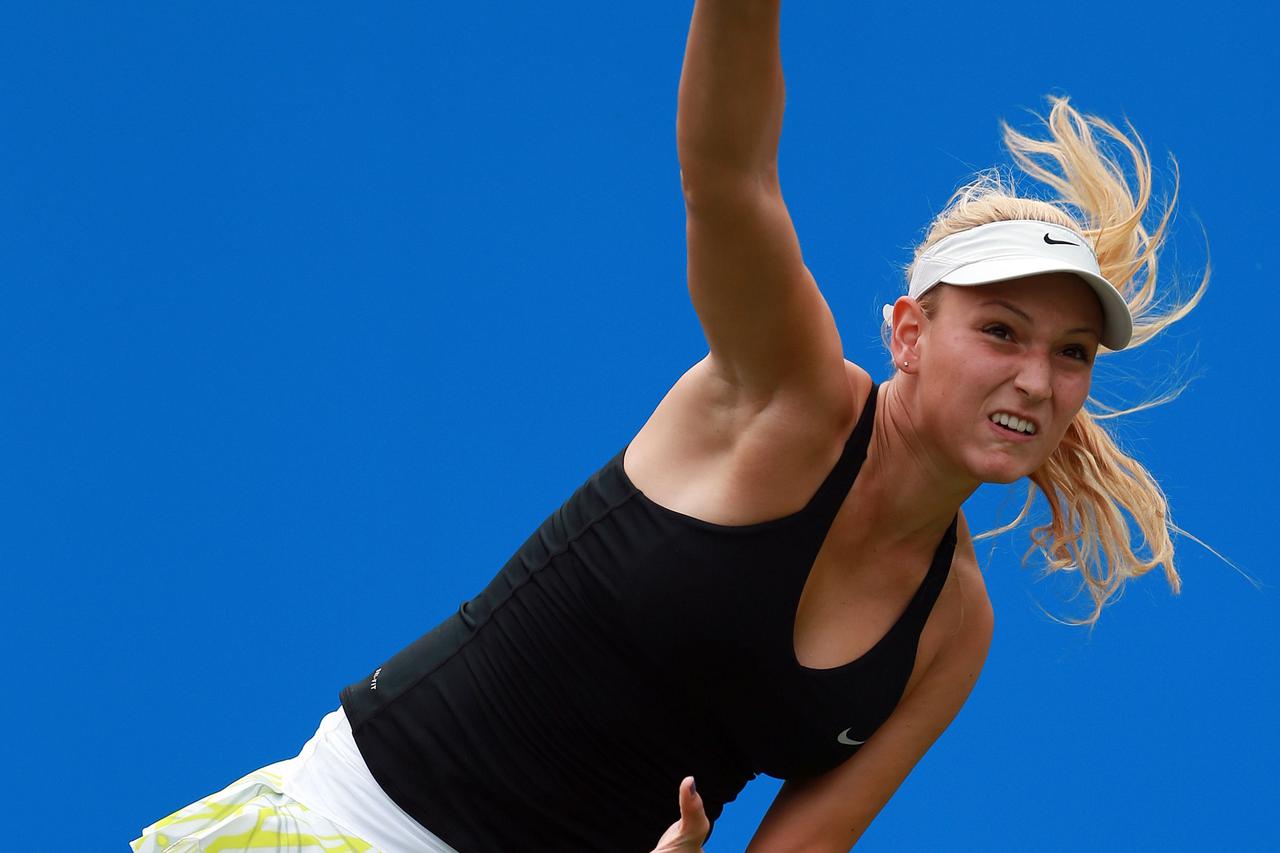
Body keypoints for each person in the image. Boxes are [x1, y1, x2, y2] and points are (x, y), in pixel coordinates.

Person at [130, 1, 1206, 851]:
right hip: (353, 829)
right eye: (1001, 330)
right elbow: (726, 179)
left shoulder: (950, 629)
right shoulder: (789, 397)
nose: (1035, 376)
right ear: (907, 331)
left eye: (1070, 353)